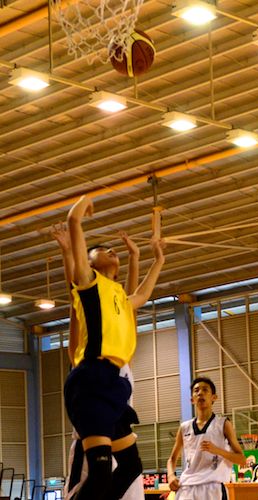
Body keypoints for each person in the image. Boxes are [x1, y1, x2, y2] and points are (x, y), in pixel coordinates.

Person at [63, 195, 166, 500]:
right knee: (99, 474)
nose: (110, 250)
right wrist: (81, 208)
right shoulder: (88, 284)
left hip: (114, 386)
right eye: (100, 250)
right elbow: (72, 222)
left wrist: (157, 259)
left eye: (112, 249)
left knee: (132, 466)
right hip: (91, 381)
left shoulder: (120, 296)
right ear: (89, 263)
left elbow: (143, 294)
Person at [55, 225, 145, 500]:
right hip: (90, 437)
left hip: (118, 431)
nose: (109, 251)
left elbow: (129, 303)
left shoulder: (120, 352)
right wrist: (68, 253)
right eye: (99, 252)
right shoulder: (88, 353)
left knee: (128, 473)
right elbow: (76, 301)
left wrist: (135, 259)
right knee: (95, 481)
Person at [166, 377, 245, 499]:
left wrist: (217, 450)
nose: (200, 393)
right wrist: (171, 475)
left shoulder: (223, 424)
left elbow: (241, 459)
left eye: (205, 390)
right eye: (196, 390)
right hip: (187, 488)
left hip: (213, 488)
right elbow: (172, 459)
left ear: (214, 397)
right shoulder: (184, 427)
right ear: (192, 399)